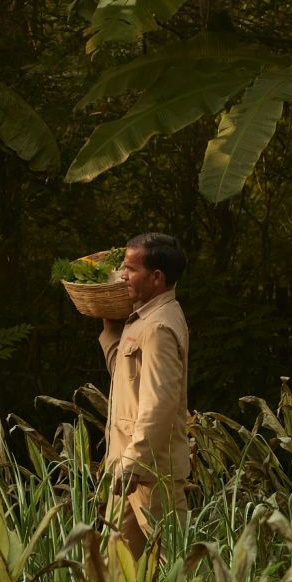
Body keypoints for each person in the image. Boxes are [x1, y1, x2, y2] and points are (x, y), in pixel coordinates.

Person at [97, 232, 190, 558]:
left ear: (157, 277)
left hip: (152, 474)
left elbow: (159, 404)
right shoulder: (140, 319)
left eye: (130, 269)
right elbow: (127, 382)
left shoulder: (159, 327)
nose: (123, 275)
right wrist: (111, 334)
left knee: (179, 566)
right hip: (131, 469)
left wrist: (133, 464)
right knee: (116, 571)